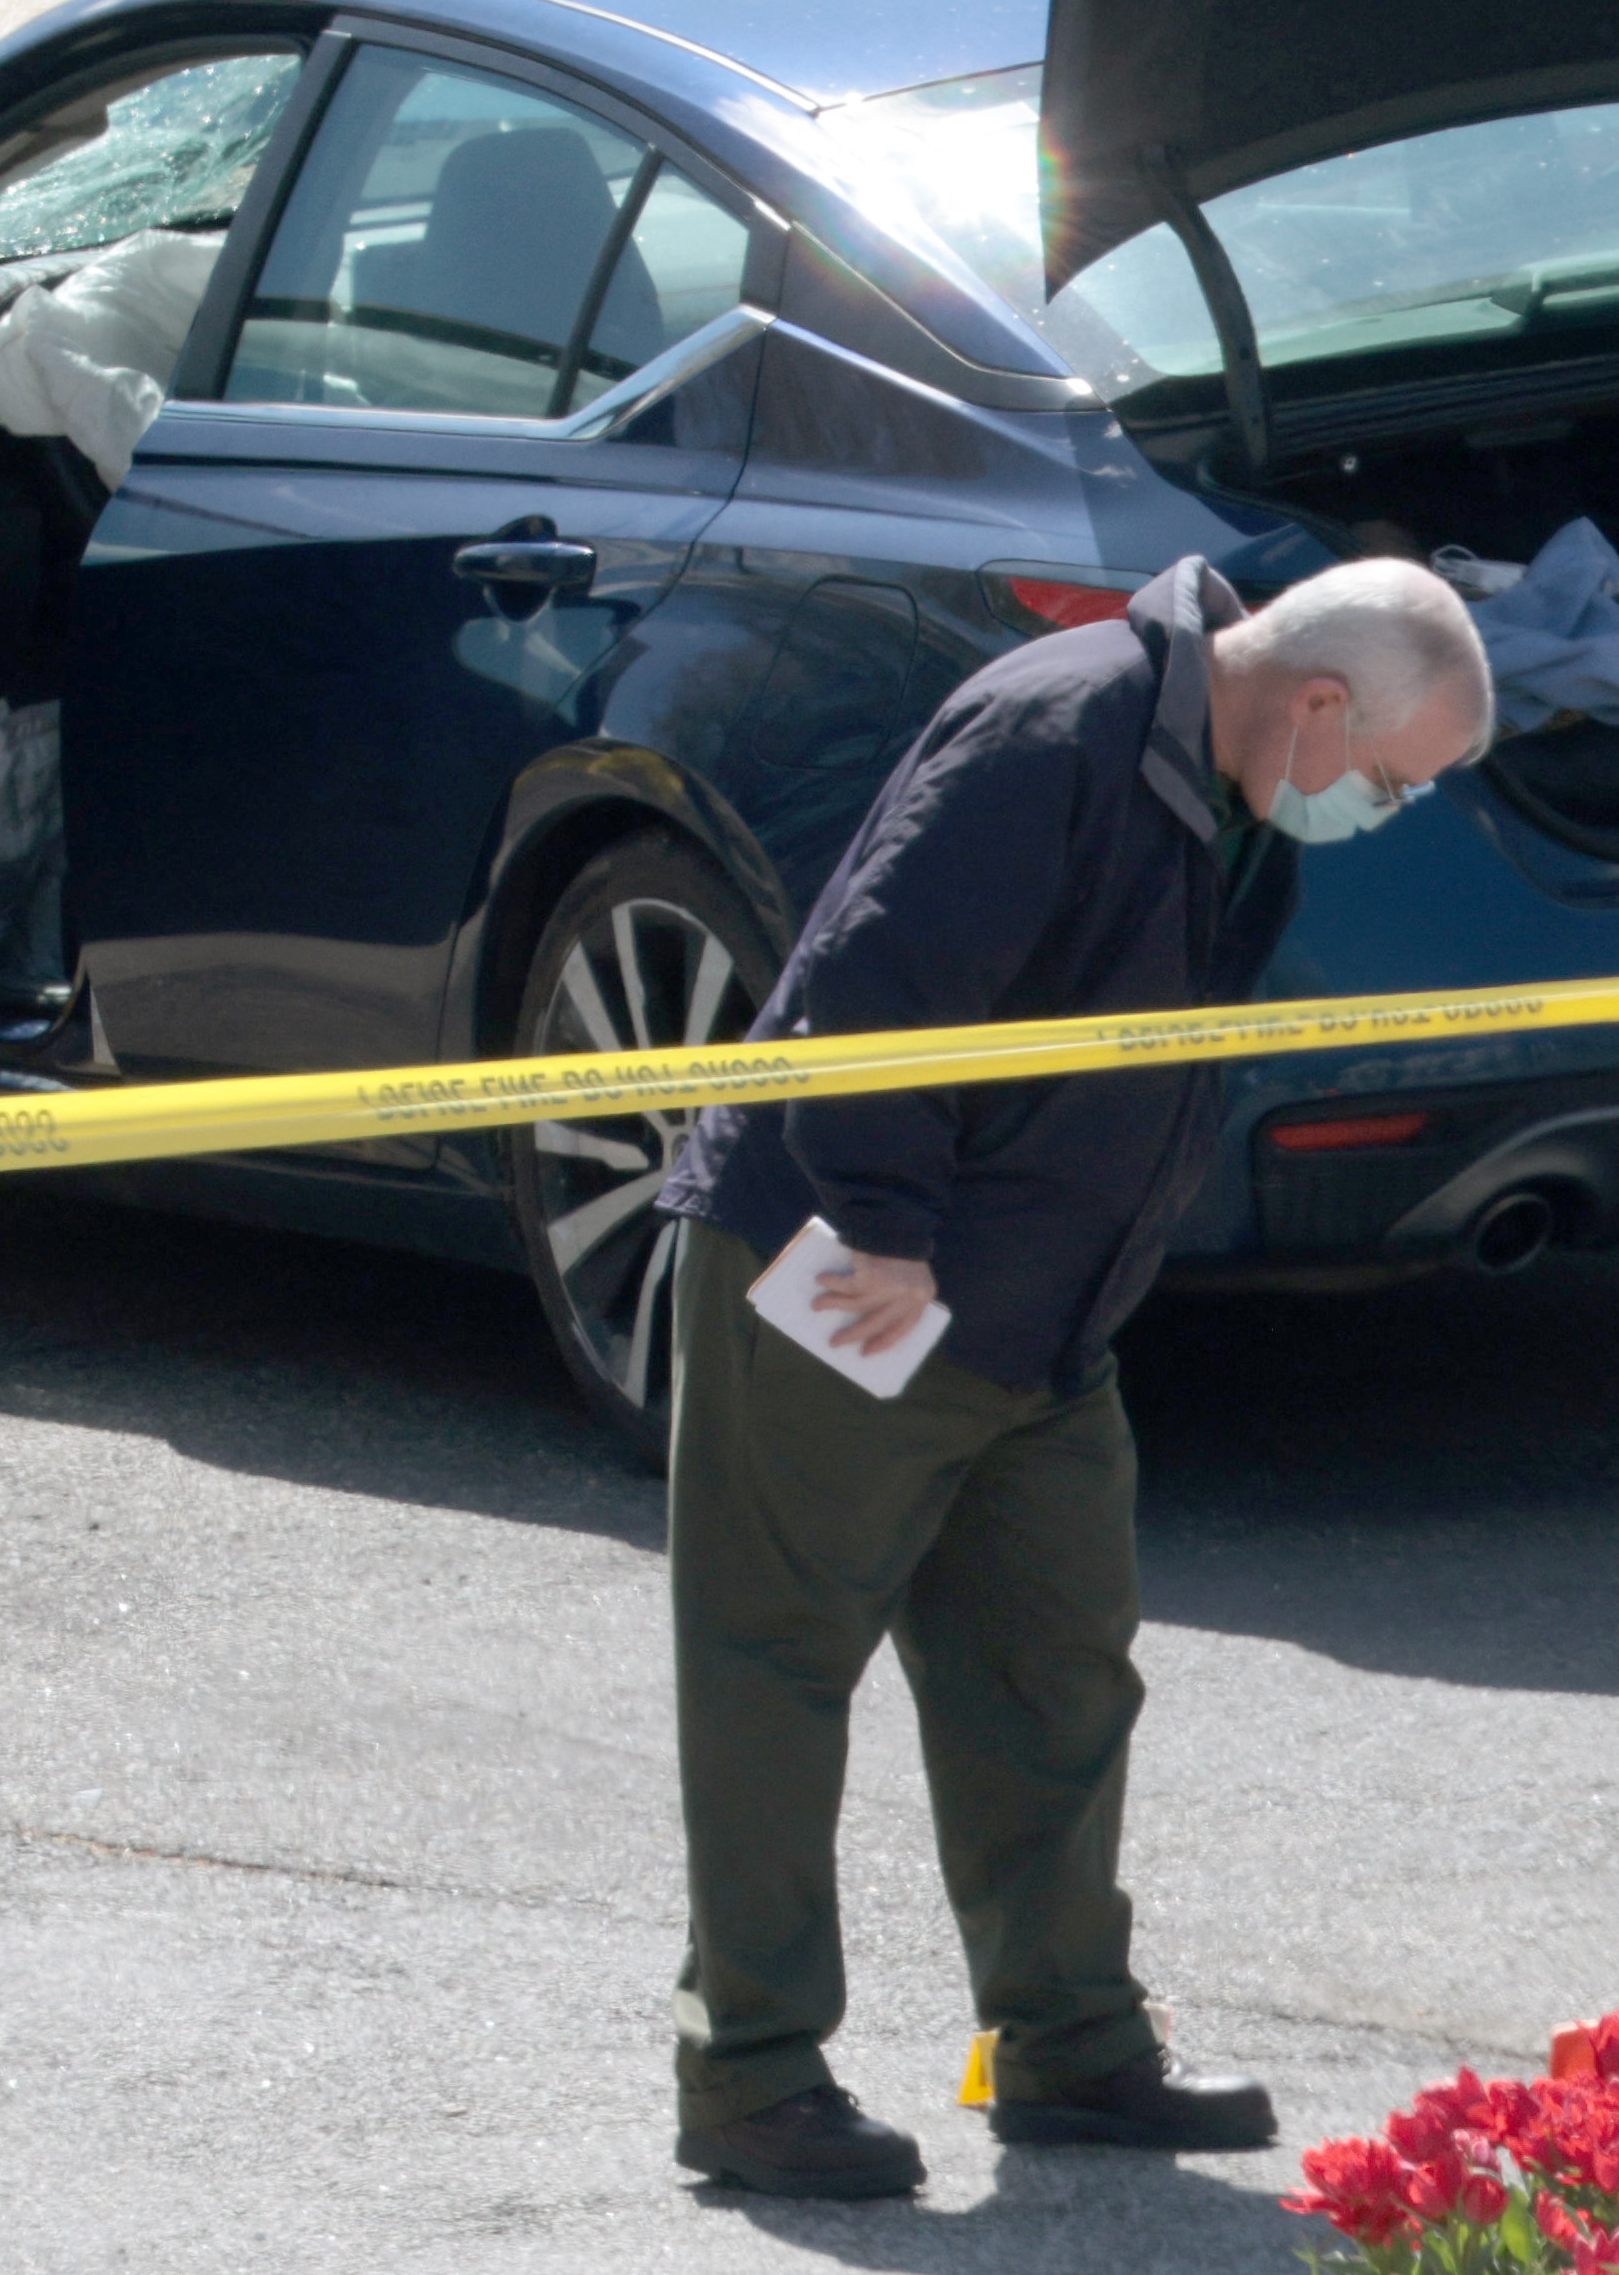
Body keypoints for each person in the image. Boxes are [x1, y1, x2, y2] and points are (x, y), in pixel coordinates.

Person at [651, 552, 1495, 2201]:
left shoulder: (1238, 783)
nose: (1392, 809)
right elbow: (879, 984)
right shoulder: (1059, 728)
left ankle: (1070, 2044)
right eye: (1398, 779)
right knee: (774, 1663)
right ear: (1320, 706)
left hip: (1038, 1320)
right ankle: (749, 2072)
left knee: (1056, 1673)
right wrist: (886, 1228)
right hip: (849, 1269)